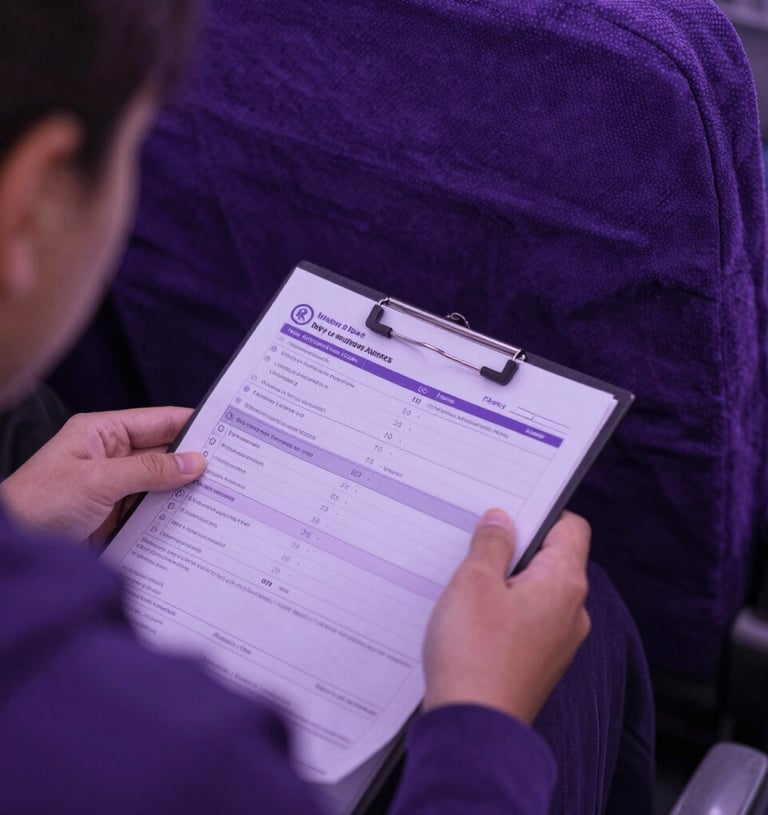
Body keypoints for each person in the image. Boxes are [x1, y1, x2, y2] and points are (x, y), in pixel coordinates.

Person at [0, 2, 654, 813]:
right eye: (140, 145)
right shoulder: (191, 760)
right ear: (28, 205)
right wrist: (482, 725)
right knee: (580, 615)